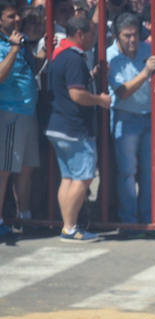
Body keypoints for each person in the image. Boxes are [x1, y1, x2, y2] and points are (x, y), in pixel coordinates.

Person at [46, 14, 111, 242]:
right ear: (80, 34)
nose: (94, 38)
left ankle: (67, 226)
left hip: (58, 126)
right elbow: (76, 94)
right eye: (92, 33)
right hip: (74, 128)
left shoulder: (59, 55)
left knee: (68, 178)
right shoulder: (73, 58)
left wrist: (90, 77)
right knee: (83, 178)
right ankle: (71, 228)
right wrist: (100, 100)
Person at [108, 11, 155, 231]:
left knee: (150, 170)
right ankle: (130, 220)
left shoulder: (147, 49)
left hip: (149, 116)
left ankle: (149, 218)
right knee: (128, 172)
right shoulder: (110, 56)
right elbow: (122, 92)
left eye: (135, 35)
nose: (132, 40)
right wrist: (146, 72)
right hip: (125, 117)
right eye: (127, 36)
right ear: (117, 35)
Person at [0, 0, 39, 236]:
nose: (17, 20)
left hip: (28, 112)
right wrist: (14, 49)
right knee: (4, 170)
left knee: (26, 168)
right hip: (10, 113)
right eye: (11, 16)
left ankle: (24, 216)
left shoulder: (19, 41)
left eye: (18, 16)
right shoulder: (7, 45)